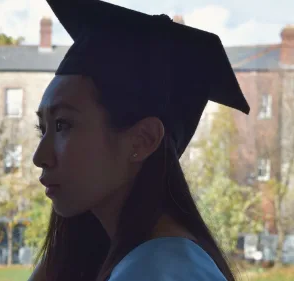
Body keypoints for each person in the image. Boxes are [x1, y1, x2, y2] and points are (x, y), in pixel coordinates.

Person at [29, 1, 251, 281]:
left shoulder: (159, 271)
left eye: (63, 125)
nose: (40, 156)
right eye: (43, 128)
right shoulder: (143, 259)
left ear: (142, 141)